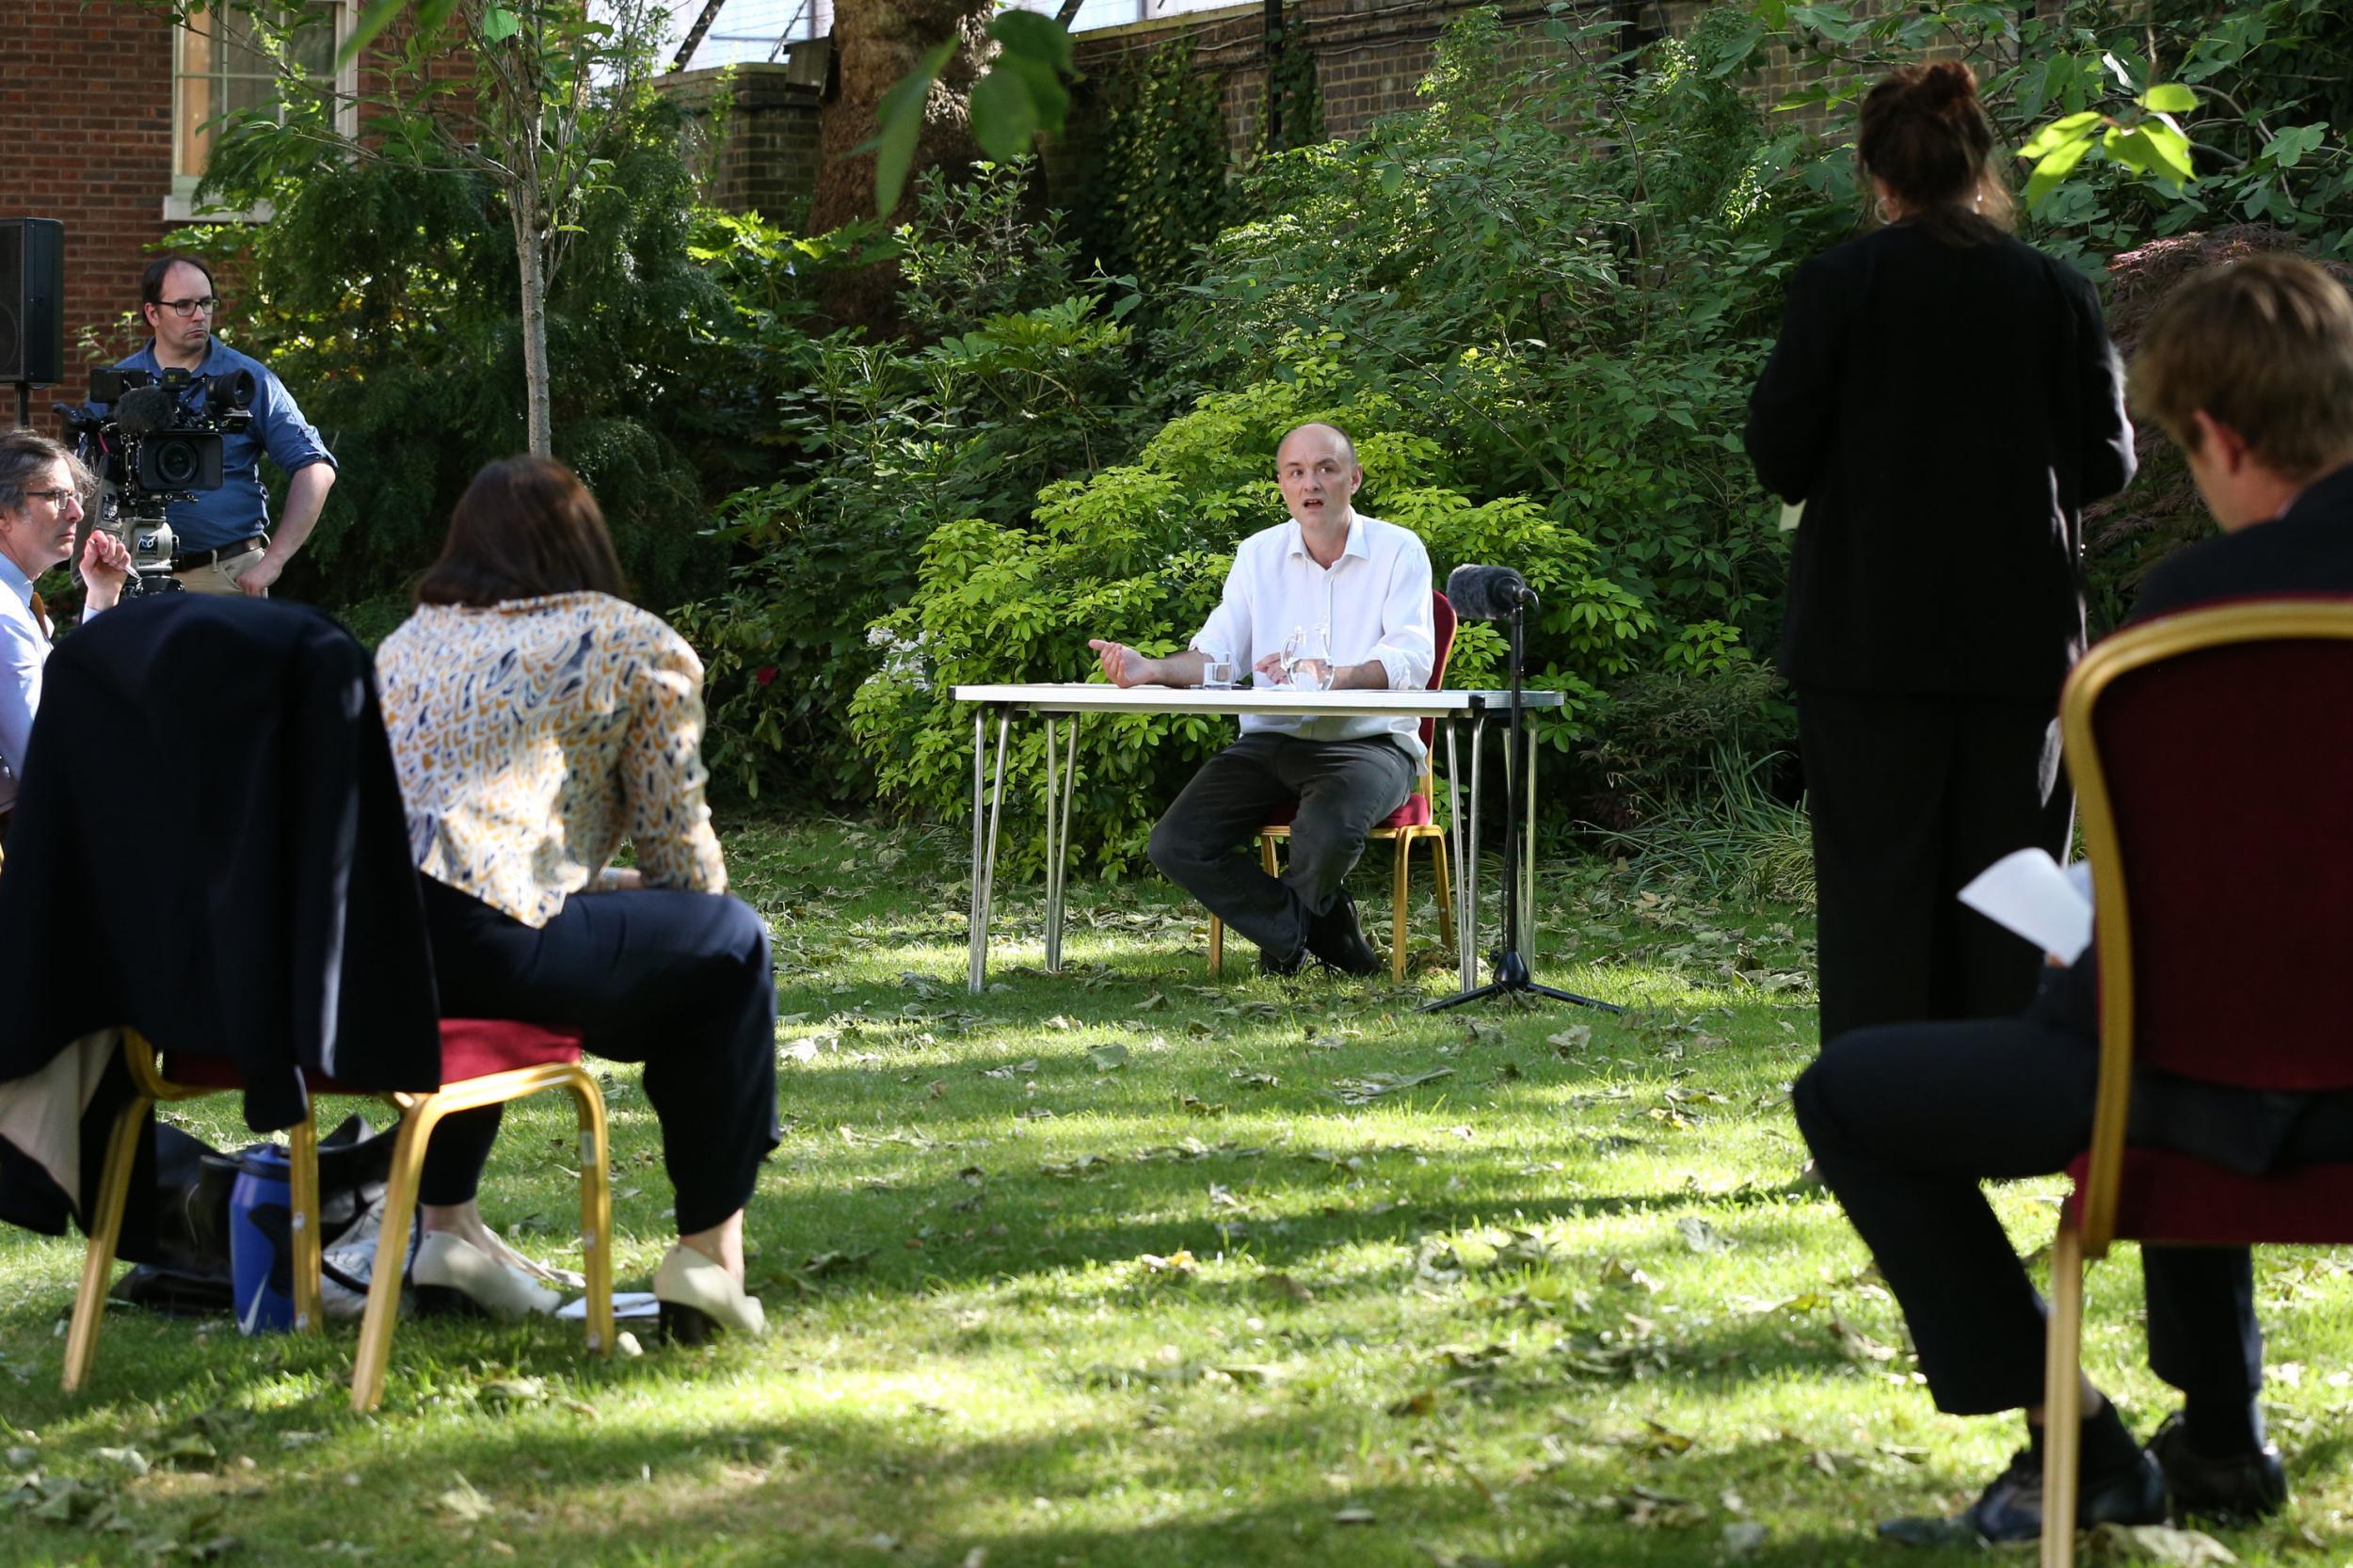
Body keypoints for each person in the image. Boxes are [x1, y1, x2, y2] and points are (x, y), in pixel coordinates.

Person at [1794, 253, 2353, 1543]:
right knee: (2189, 1020)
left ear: (2214, 434)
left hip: (2201, 1089)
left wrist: (2069, 957)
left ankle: (2080, 1441)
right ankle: (2221, 1437)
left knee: (1866, 1090)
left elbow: (2159, 945)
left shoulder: (2183, 628)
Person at [1744, 62, 2137, 1048]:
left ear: (1877, 177)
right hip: (2018, 640)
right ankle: (2004, 1095)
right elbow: (2107, 461)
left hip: (1864, 638)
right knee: (2013, 880)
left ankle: (1879, 1103)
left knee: (1874, 884)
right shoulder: (2054, 292)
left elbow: (1777, 449)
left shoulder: (1838, 286)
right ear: (1980, 170)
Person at [374, 456, 777, 1341]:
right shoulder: (630, 640)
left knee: (610, 950)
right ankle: (709, 1261)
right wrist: (663, 892)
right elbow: (683, 861)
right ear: (585, 540)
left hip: (377, 943)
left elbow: (452, 833)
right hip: (491, 933)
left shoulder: (409, 644)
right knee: (729, 944)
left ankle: (449, 1234)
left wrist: (600, 885)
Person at [1087, 423, 1434, 977]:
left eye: (1326, 468)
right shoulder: (1257, 555)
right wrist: (1149, 668)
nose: (1311, 483)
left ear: (1355, 478)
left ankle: (1288, 940)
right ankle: (1322, 931)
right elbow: (1218, 658)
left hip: (1369, 745)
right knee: (1176, 844)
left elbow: (1413, 659)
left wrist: (1336, 676)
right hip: (1271, 740)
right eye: (1296, 472)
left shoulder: (1399, 550)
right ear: (1281, 484)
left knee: (1325, 837)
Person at [107, 255, 336, 597]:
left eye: (206, 303)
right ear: (153, 313)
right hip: (133, 578)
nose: (199, 315)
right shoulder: (119, 385)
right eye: (183, 305)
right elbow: (86, 478)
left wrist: (273, 561)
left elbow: (315, 467)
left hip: (226, 575)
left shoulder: (246, 380)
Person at [0, 431, 132, 838]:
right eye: (57, 496)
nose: (76, 512)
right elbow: (46, 765)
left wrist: (102, 597)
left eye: (75, 496)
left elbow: (64, 709)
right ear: (3, 515)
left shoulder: (13, 600)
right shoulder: (4, 615)